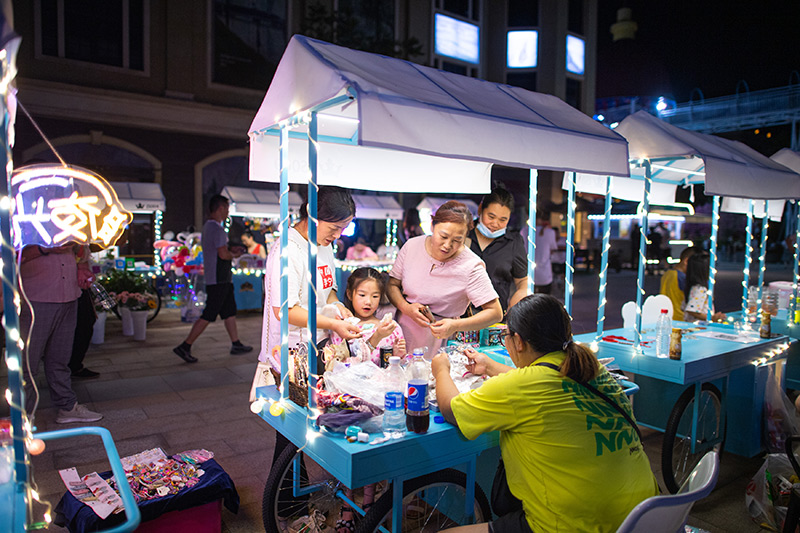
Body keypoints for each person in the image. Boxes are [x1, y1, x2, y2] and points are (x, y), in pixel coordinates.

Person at [432, 294, 659, 533]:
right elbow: (543, 380)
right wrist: (489, 366)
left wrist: (441, 370)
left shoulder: (521, 387)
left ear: (518, 341)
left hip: (575, 524)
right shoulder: (592, 368)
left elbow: (452, 409)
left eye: (506, 336)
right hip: (646, 516)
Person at [260, 185, 362, 485]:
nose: (339, 235)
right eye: (335, 227)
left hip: (314, 346)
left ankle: (297, 493)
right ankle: (288, 502)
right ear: (312, 215)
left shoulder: (325, 246)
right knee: (291, 430)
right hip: (290, 352)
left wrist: (339, 308)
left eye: (343, 228)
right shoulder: (288, 251)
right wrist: (334, 325)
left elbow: (327, 290)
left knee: (306, 424)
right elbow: (285, 311)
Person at [387, 200, 502, 355]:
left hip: (441, 340)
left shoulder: (471, 265)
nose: (447, 245)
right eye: (443, 236)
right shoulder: (411, 246)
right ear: (432, 226)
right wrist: (405, 307)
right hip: (402, 333)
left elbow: (495, 313)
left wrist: (456, 325)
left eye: (457, 240)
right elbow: (392, 284)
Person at [19, 242, 103, 423]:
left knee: (60, 358)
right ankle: (24, 415)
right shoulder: (26, 218)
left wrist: (82, 268)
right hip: (35, 297)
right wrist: (45, 249)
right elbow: (14, 255)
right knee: (27, 362)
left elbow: (82, 252)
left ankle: (67, 406)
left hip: (69, 296)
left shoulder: (70, 219)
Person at [173, 194, 253, 363]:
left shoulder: (209, 227)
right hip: (219, 279)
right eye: (227, 208)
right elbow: (222, 254)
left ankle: (236, 343)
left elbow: (221, 250)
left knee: (229, 311)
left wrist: (230, 250)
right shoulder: (217, 229)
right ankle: (185, 346)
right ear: (220, 208)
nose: (227, 212)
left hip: (221, 278)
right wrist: (234, 254)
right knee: (209, 314)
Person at [467, 186, 527, 313]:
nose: (495, 224)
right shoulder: (463, 234)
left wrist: (520, 294)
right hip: (460, 318)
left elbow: (522, 281)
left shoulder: (514, 242)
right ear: (480, 209)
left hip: (495, 319)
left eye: (503, 220)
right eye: (491, 216)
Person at [339, 267, 406, 364]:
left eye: (375, 296)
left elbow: (400, 367)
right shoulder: (343, 328)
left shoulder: (391, 328)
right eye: (362, 295)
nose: (369, 302)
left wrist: (398, 355)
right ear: (349, 294)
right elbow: (339, 365)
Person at [682, 251, 726, 322]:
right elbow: (692, 310)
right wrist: (711, 318)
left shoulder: (693, 286)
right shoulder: (700, 289)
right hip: (699, 326)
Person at [659, 246, 697, 321]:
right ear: (686, 261)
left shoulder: (667, 273)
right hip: (681, 319)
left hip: (667, 316)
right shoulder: (682, 277)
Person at [533, 213, 558, 294]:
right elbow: (553, 249)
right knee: (544, 301)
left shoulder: (524, 231)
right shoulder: (550, 232)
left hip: (528, 274)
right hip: (545, 274)